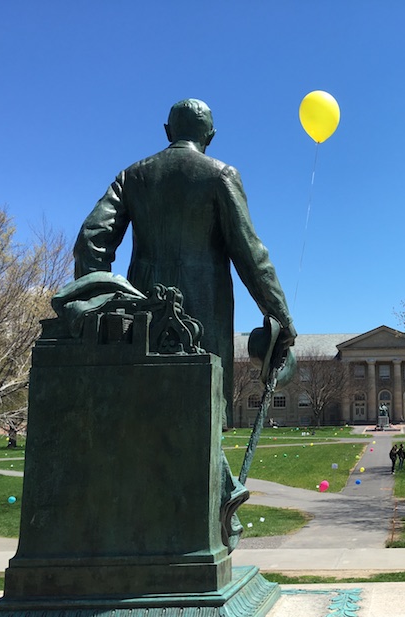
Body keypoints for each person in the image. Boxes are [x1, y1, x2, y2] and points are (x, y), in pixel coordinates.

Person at [73, 99, 296, 429]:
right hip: (204, 321)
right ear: (211, 136)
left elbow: (90, 240)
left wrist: (97, 306)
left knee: (141, 419)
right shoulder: (221, 175)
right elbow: (251, 255)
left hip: (141, 317)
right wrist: (280, 316)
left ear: (168, 131)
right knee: (201, 423)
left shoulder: (132, 176)